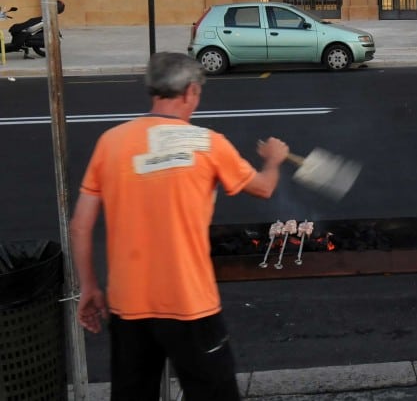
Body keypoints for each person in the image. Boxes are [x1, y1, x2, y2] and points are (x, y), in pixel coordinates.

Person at [69, 52, 290, 400]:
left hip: (128, 305)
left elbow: (80, 226)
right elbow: (264, 188)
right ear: (189, 91)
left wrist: (90, 287)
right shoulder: (207, 142)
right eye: (198, 93)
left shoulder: (110, 141)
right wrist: (274, 161)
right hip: (190, 303)